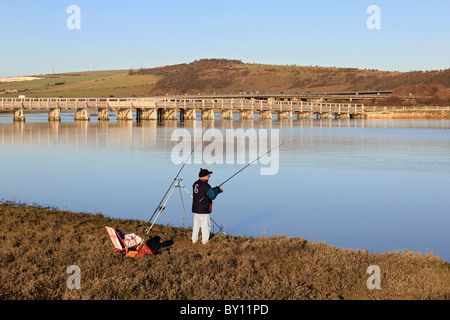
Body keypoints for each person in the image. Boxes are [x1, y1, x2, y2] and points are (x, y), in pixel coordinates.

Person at [191, 168, 223, 244]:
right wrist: (217, 190)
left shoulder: (195, 183)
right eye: (209, 176)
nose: (209, 177)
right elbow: (212, 196)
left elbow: (203, 192)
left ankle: (194, 240)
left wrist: (213, 189)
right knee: (206, 226)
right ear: (205, 176)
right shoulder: (205, 185)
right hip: (204, 209)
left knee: (196, 226)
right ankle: (205, 241)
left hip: (196, 208)